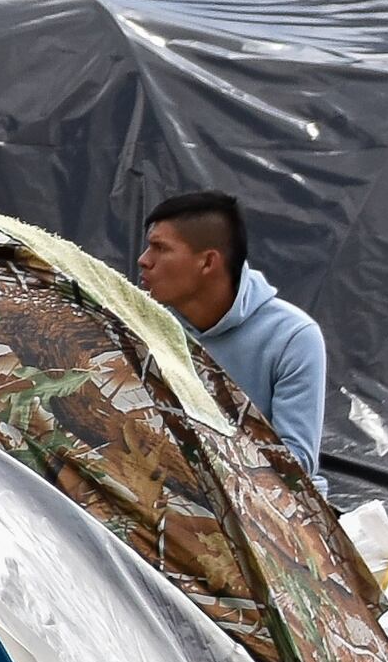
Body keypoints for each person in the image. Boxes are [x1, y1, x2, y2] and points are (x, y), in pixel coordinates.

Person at [134, 190, 330, 472]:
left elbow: (296, 465)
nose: (143, 259)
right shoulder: (148, 322)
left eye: (160, 248)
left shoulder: (293, 337)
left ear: (208, 262)